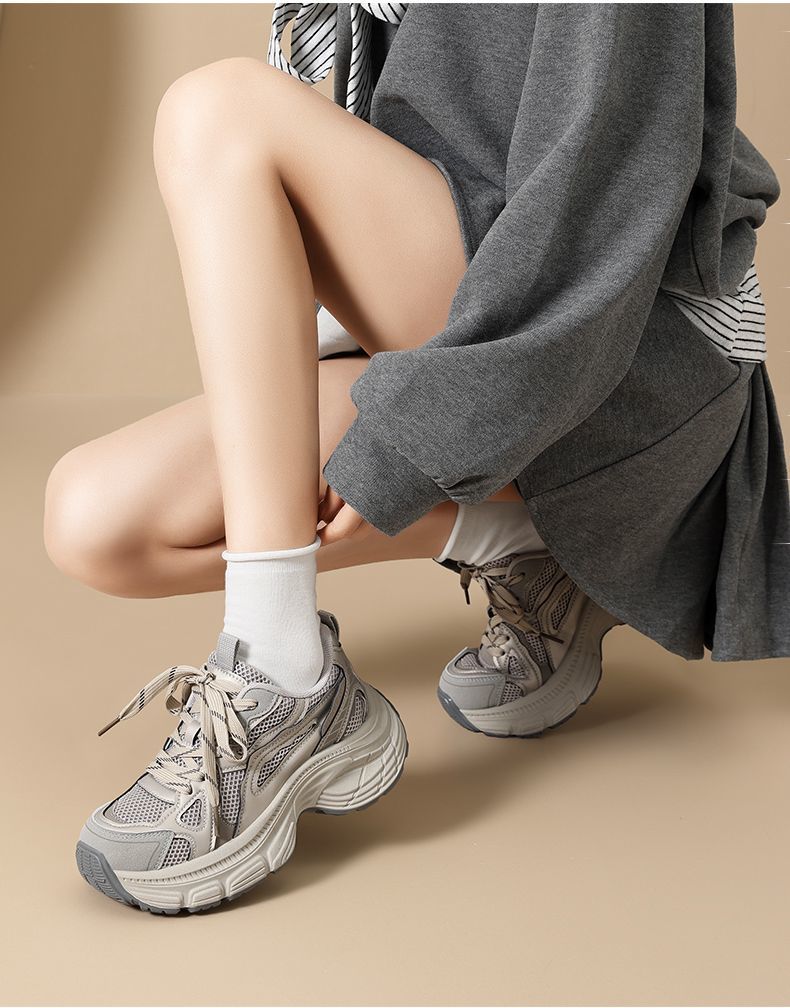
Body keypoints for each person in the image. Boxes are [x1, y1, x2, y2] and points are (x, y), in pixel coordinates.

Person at [43, 3, 789, 914]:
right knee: (94, 521)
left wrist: (406, 441)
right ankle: (536, 546)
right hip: (473, 309)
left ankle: (280, 675)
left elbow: (600, 224)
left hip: (629, 356)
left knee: (217, 111)